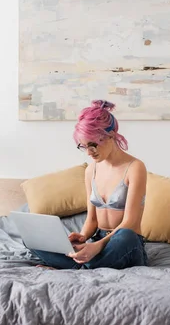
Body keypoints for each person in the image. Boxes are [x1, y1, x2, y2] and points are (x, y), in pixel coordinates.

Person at [34, 100, 148, 270]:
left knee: (126, 236)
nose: (89, 152)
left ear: (111, 136)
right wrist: (82, 236)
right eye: (83, 146)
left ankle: (76, 268)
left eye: (93, 145)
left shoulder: (135, 168)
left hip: (124, 244)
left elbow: (130, 222)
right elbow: (92, 219)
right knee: (36, 240)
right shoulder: (91, 170)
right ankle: (86, 265)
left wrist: (98, 246)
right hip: (98, 240)